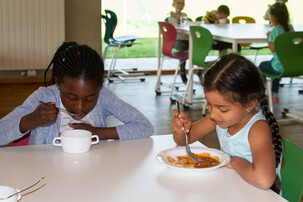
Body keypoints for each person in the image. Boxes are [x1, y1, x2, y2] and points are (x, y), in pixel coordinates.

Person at [0, 42, 154, 146]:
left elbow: (145, 127)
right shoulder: (44, 97)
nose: (80, 108)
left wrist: (97, 133)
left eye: (90, 98)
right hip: (46, 175)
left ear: (99, 87)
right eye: (71, 97)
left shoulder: (103, 96)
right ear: (58, 83)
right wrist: (31, 120)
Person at [172, 53, 282, 194]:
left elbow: (263, 180)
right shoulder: (220, 119)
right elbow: (183, 141)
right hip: (233, 189)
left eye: (222, 109)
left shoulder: (257, 129)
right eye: (210, 104)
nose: (213, 114)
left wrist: (235, 162)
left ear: (250, 103)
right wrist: (181, 130)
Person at [259, 2, 293, 104]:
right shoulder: (290, 29)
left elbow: (272, 48)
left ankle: (262, 95)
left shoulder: (275, 31)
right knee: (274, 64)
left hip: (279, 67)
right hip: (290, 65)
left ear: (273, 17)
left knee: (262, 66)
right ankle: (274, 94)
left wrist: (269, 38)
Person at [167, 0, 189, 84]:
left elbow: (185, 26)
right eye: (178, 3)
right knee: (183, 48)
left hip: (186, 39)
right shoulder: (170, 17)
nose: (181, 5)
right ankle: (182, 71)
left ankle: (199, 71)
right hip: (177, 39)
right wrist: (174, 17)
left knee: (197, 47)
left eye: (183, 3)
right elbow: (175, 27)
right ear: (173, 5)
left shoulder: (184, 15)